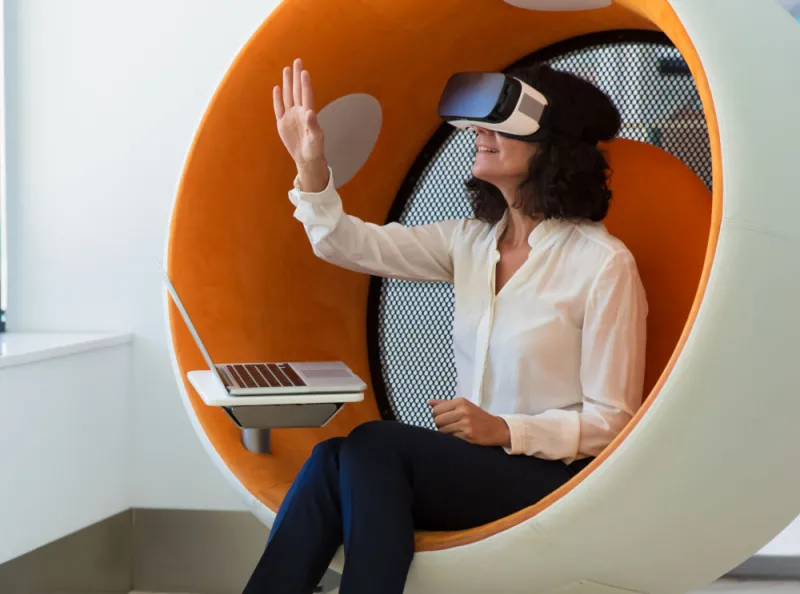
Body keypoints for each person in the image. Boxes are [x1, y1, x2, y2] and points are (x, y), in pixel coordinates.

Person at [243, 58, 648, 594]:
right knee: (332, 459)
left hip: (553, 477)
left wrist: (507, 429)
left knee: (374, 445)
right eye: (479, 123)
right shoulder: (471, 242)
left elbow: (614, 423)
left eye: (499, 124)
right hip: (476, 469)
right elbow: (346, 243)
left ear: (553, 145)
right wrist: (310, 164)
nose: (479, 132)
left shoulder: (603, 263)